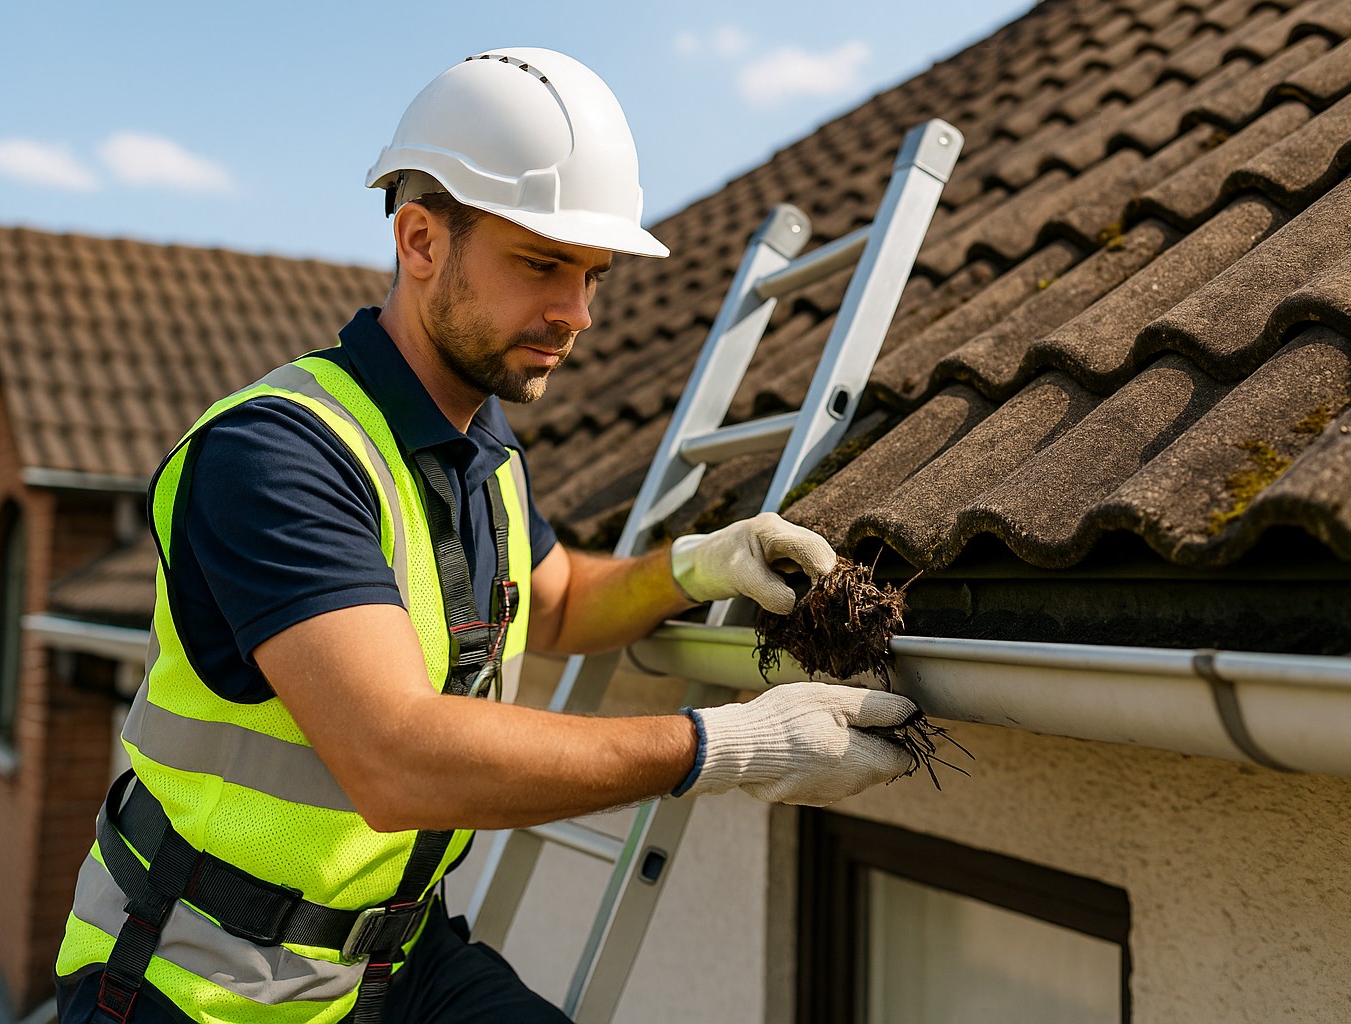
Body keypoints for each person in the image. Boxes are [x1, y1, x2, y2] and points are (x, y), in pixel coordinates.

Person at [55, 47, 920, 1024]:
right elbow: (397, 758)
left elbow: (551, 600)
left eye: (591, 273)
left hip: (391, 960)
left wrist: (699, 563)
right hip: (197, 981)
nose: (579, 313)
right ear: (420, 240)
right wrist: (727, 747)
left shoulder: (482, 451)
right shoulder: (277, 456)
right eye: (543, 264)